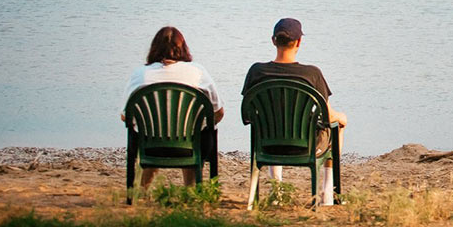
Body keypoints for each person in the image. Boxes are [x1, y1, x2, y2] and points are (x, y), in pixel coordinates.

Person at [241, 18, 347, 205]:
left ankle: (277, 191)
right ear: (299, 42)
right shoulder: (311, 74)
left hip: (266, 145)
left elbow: (248, 114)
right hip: (305, 145)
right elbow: (328, 115)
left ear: (273, 40)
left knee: (273, 122)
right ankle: (327, 194)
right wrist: (342, 117)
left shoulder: (257, 71)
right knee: (336, 126)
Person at [121, 26, 224, 187]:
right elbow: (218, 113)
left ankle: (141, 190)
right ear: (183, 48)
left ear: (154, 48)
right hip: (190, 146)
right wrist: (193, 125)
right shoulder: (197, 72)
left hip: (150, 147)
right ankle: (190, 188)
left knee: (147, 132)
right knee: (201, 131)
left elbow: (125, 116)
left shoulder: (140, 74)